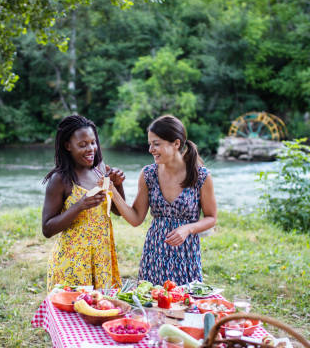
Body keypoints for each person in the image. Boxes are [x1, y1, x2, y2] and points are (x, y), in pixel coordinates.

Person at [110, 114, 217, 285]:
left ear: (176, 143)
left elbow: (211, 218)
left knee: (185, 306)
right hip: (154, 254)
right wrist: (112, 190)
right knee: (151, 305)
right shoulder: (148, 174)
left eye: (156, 144)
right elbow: (136, 218)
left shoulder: (201, 176)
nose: (150, 149)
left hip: (186, 255)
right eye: (150, 144)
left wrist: (188, 229)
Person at [42, 114, 125, 291]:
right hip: (73, 263)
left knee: (102, 312)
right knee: (73, 315)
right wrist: (80, 205)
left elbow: (118, 211)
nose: (90, 149)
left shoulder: (99, 169)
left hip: (101, 259)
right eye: (82, 145)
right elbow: (47, 229)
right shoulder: (60, 179)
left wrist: (117, 185)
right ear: (68, 146)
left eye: (93, 142)